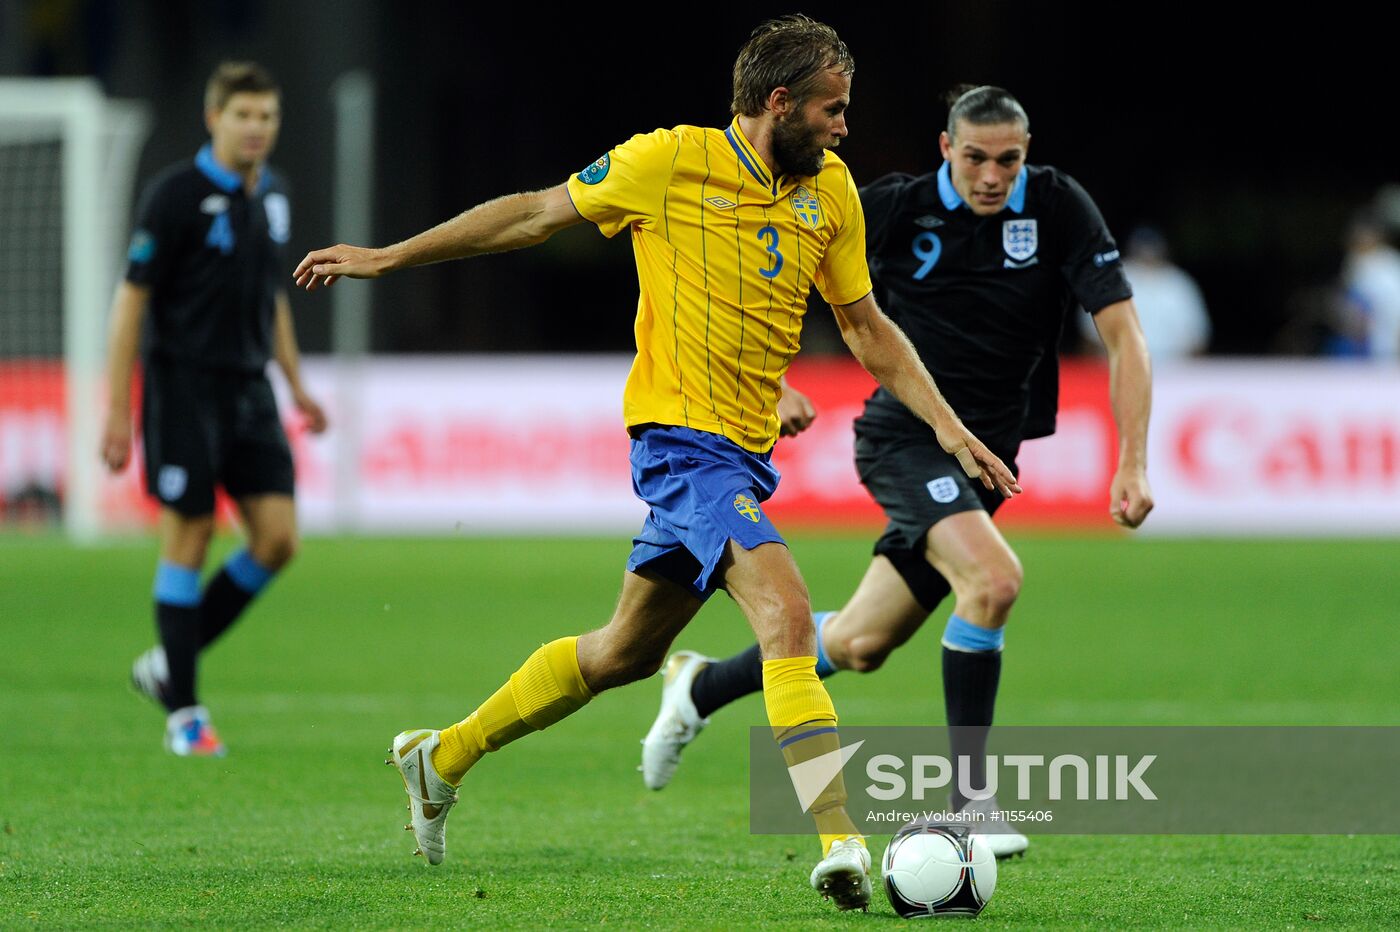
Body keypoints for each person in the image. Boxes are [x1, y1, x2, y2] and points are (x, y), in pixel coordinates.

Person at [293, 17, 1018, 911]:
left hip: (742, 457)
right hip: (680, 449)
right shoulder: (668, 161)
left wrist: (945, 426)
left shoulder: (830, 192)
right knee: (786, 613)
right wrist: (390, 257)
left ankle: (439, 757)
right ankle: (842, 844)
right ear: (777, 102)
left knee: (620, 656)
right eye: (831, 109)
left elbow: (864, 326)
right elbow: (533, 213)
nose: (842, 128)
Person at [641, 86, 1154, 860]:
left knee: (859, 642)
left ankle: (700, 685)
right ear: (947, 149)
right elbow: (768, 280)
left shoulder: (1057, 206)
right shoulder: (895, 207)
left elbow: (1124, 337)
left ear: (1026, 153)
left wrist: (1134, 458)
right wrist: (774, 380)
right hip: (905, 440)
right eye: (975, 158)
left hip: (988, 459)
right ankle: (971, 806)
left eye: (1008, 160)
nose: (992, 175)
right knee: (993, 580)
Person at [102, 62, 327, 757]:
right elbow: (132, 299)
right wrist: (116, 410)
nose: (257, 128)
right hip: (183, 389)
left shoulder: (278, 196)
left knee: (278, 540)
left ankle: (169, 660)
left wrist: (294, 385)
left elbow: (274, 297)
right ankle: (185, 714)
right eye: (244, 115)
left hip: (250, 391)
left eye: (267, 116)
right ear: (213, 118)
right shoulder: (174, 195)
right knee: (191, 534)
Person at [1079, 225, 1210, 359]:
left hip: (1174, 369)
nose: (1147, 253)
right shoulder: (1112, 278)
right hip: (1121, 367)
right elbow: (1091, 338)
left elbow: (1197, 339)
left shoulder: (1178, 283)